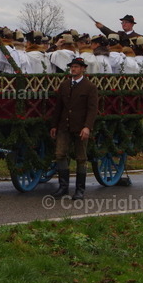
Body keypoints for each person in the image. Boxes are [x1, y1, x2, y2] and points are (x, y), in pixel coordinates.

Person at [49, 57, 99, 200]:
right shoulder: (65, 85)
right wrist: (54, 125)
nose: (73, 69)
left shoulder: (89, 87)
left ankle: (80, 190)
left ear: (83, 69)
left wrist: (87, 127)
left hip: (80, 127)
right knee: (60, 154)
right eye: (72, 67)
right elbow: (58, 107)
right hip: (64, 126)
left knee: (81, 158)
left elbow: (92, 109)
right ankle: (63, 187)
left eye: (76, 67)